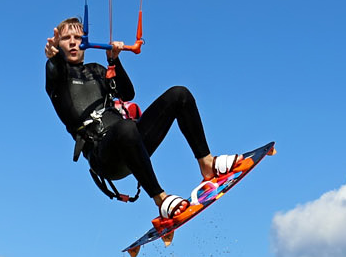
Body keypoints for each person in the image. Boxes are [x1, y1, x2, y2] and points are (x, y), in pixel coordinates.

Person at [44, 18, 239, 219]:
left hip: (132, 143)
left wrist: (114, 60)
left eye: (78, 37)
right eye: (66, 38)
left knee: (179, 94)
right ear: (59, 44)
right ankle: (161, 199)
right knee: (126, 128)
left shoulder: (97, 70)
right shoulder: (56, 75)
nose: (74, 42)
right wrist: (52, 55)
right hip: (105, 157)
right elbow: (54, 66)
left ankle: (207, 163)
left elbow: (127, 94)